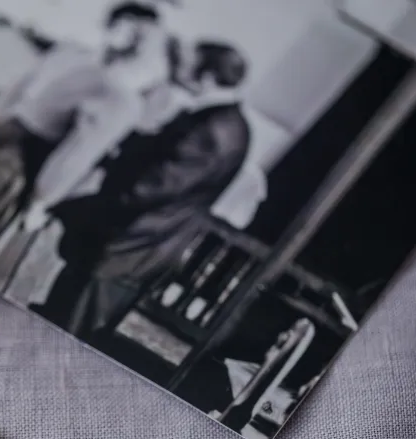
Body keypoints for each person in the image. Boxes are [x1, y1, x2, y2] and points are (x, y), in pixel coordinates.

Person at [0, 2, 170, 263]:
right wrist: (42, 200)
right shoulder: (120, 97)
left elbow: (17, 95)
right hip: (17, 164)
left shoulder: (72, 56)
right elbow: (77, 153)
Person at [29, 40, 252, 340]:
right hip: (142, 246)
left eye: (190, 69)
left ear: (208, 78)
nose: (183, 75)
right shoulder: (232, 125)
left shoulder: (210, 131)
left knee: (63, 336)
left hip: (127, 244)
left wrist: (75, 205)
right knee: (65, 329)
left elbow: (149, 188)